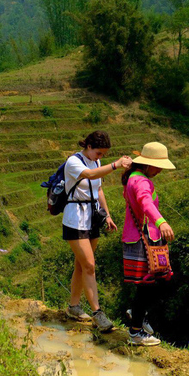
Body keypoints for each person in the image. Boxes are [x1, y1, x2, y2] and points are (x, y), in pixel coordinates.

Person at [64, 130, 132, 332]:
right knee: (90, 265)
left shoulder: (97, 162)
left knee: (81, 264)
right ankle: (98, 313)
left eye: (103, 154)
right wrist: (115, 165)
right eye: (99, 153)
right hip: (75, 219)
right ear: (89, 147)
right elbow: (89, 175)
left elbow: (98, 189)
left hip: (92, 218)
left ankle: (73, 307)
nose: (100, 157)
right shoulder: (73, 162)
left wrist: (107, 215)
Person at [121, 142, 176, 346]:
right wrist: (161, 222)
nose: (160, 170)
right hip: (143, 239)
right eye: (158, 166)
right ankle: (136, 332)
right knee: (149, 284)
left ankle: (137, 314)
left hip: (139, 237)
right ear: (148, 164)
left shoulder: (133, 179)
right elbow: (145, 202)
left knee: (152, 283)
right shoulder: (142, 182)